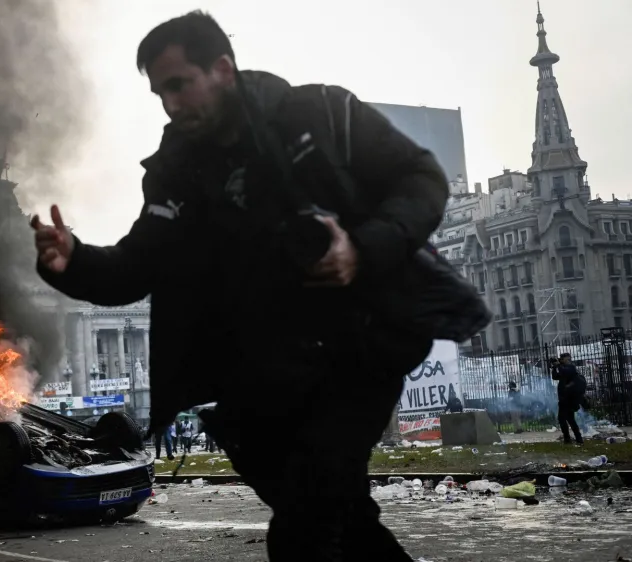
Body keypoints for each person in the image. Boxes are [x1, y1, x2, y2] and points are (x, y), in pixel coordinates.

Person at [30, 11, 447, 561]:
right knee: (345, 520)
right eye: (160, 92)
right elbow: (136, 265)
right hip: (262, 378)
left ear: (223, 68)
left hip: (356, 346)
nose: (171, 104)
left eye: (179, 85)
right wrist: (74, 260)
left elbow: (422, 179)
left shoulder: (316, 114)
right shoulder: (176, 170)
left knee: (307, 524)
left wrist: (363, 247)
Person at [551, 353, 586, 445]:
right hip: (563, 398)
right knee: (568, 419)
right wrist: (554, 367)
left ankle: (571, 438)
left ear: (568, 359)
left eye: (563, 359)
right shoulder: (563, 368)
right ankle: (575, 439)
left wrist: (558, 365)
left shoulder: (571, 368)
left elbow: (564, 372)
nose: (562, 360)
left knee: (565, 419)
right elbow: (555, 377)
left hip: (570, 399)